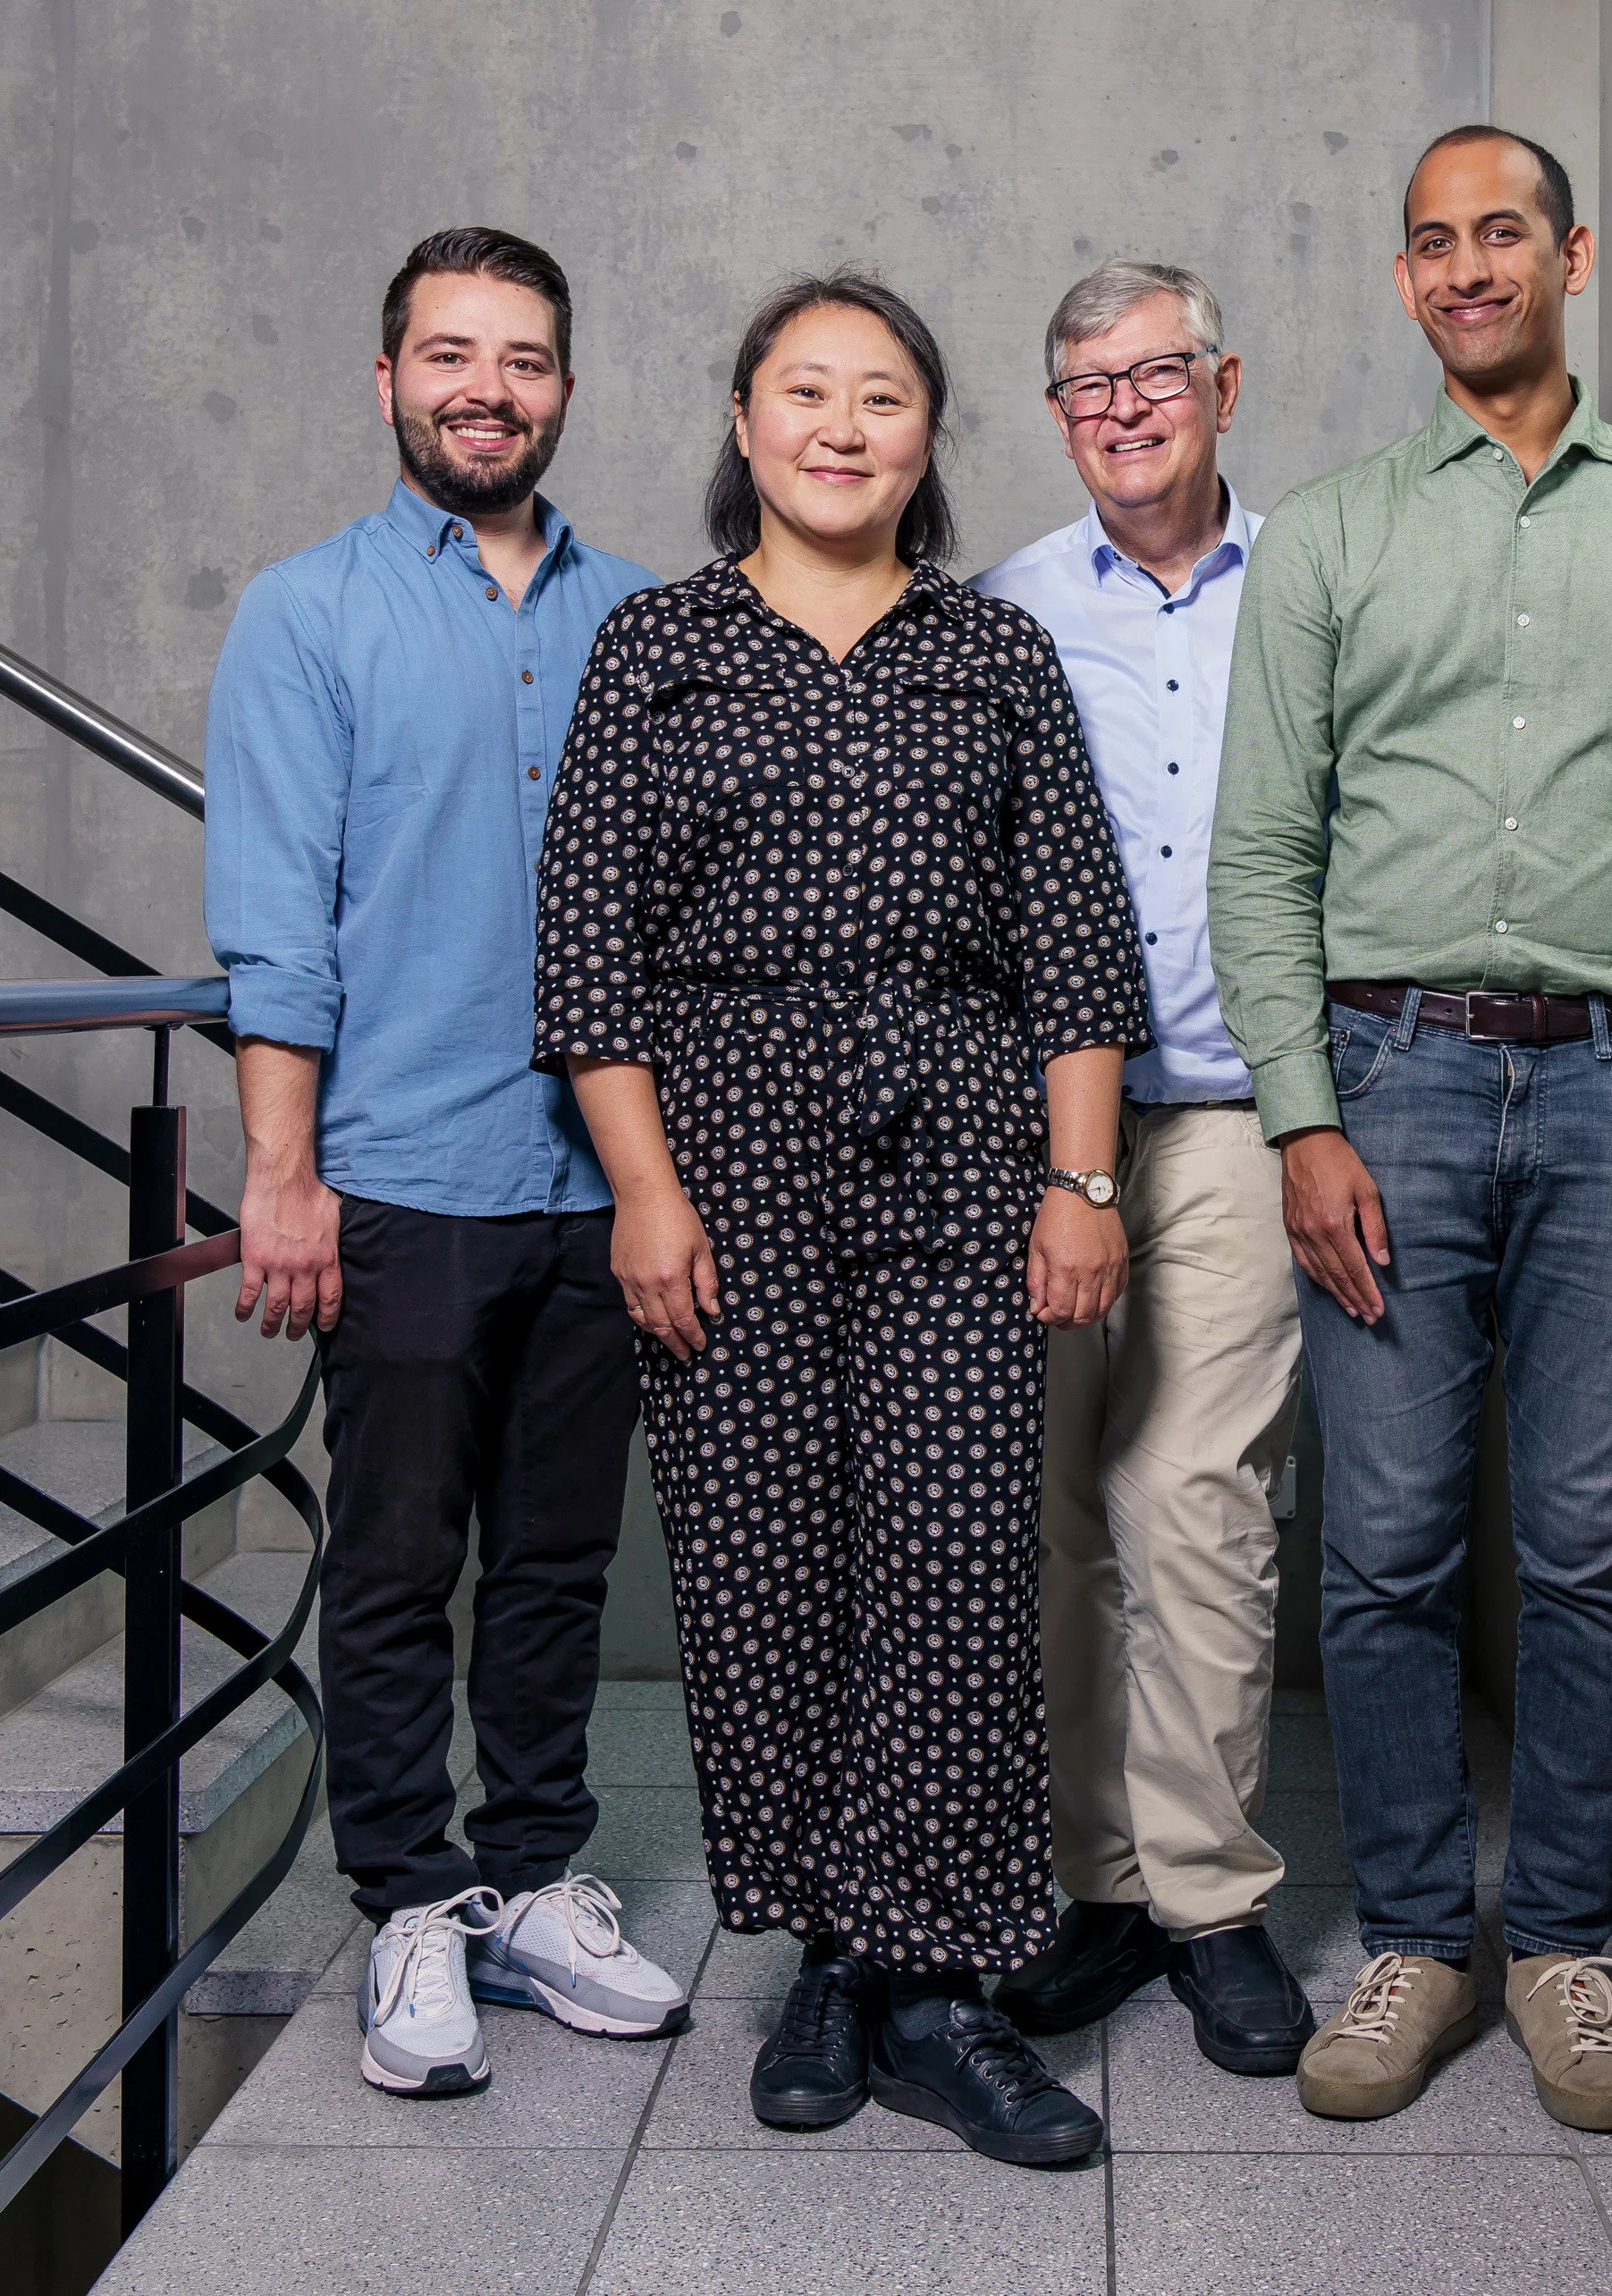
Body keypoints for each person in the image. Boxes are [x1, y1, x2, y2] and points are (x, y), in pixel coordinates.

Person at [1209, 128, 1612, 2132]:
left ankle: (1567, 1944)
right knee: (1387, 1542)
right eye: (1434, 242)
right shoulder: (1326, 533)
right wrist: (1307, 1118)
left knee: (1588, 1550)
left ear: (1572, 254)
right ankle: (1416, 1932)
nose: (1469, 267)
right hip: (1388, 1083)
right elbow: (1263, 852)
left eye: (1505, 233)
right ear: (1406, 282)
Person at [534, 269, 1152, 2168]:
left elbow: (1080, 946)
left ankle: (942, 1983)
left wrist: (1082, 1177)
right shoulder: (654, 648)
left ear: (924, 439)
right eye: (806, 390)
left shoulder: (994, 657)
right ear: (743, 421)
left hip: (967, 1150)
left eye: (882, 395)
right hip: (718, 1161)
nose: (842, 423)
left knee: (956, 1563)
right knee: (762, 1563)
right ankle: (831, 1951)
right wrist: (644, 1192)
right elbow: (585, 959)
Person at [206, 227, 687, 2099]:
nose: (487, 384)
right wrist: (282, 1165)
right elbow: (277, 918)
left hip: (598, 1183)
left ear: (565, 386)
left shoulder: (641, 617)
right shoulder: (304, 611)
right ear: (389, 376)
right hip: (396, 1173)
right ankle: (410, 1896)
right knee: (400, 1559)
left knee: (559, 1560)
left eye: (525, 356)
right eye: (450, 352)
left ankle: (535, 1874)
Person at [973, 263, 1312, 2074]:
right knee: (1050, 1509)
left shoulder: (1319, 585)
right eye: (1086, 381)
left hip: (1250, 1116)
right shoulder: (1008, 610)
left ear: (1224, 383)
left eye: (1155, 371)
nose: (1123, 404)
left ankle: (1210, 1894)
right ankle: (1095, 1881)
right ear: (1057, 414)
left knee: (1199, 1493)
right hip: (1048, 1128)